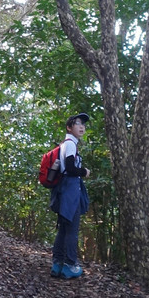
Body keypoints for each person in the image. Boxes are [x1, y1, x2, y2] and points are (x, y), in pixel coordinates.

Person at [50, 112, 91, 279]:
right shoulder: (71, 144)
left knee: (64, 228)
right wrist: (84, 171)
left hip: (64, 189)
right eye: (78, 123)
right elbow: (70, 167)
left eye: (83, 124)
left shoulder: (65, 144)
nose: (82, 127)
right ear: (69, 127)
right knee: (71, 229)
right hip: (70, 190)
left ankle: (57, 264)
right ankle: (70, 265)